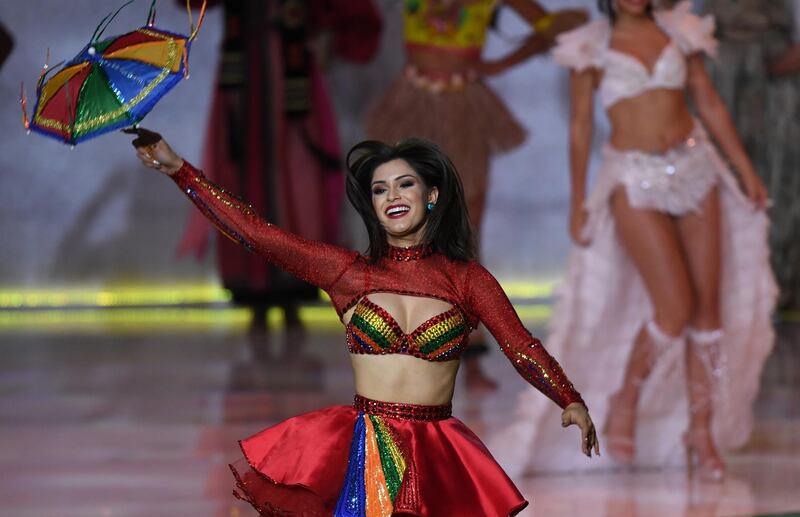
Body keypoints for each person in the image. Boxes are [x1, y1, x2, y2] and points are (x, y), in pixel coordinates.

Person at [127, 127, 598, 515]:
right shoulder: (349, 273)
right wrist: (180, 171)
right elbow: (257, 235)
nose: (391, 196)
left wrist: (567, 397)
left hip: (437, 453)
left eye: (404, 184)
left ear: (432, 194)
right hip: (367, 450)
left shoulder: (468, 280)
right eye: (379, 189)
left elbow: (521, 347)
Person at [491, 0, 776, 481]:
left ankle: (701, 430)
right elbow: (581, 128)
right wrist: (579, 199)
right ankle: (626, 395)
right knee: (674, 308)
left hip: (695, 167)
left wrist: (744, 170)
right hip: (633, 179)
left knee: (708, 310)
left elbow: (706, 100)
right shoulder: (589, 46)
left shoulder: (681, 31)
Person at [366, 0, 588, 391]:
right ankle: (403, 351)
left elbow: (564, 25)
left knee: (462, 233)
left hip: (462, 108)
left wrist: (499, 66)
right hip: (413, 105)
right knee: (405, 229)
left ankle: (467, 357)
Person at [176, 0, 382, 335]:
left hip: (292, 76)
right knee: (244, 180)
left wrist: (326, 35)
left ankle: (292, 289)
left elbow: (351, 14)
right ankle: (255, 290)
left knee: (297, 181)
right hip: (242, 81)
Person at [703, 0, 800, 310]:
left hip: (779, 88)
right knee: (725, 185)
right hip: (720, 79)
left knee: (782, 188)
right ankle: (732, 290)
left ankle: (781, 287)